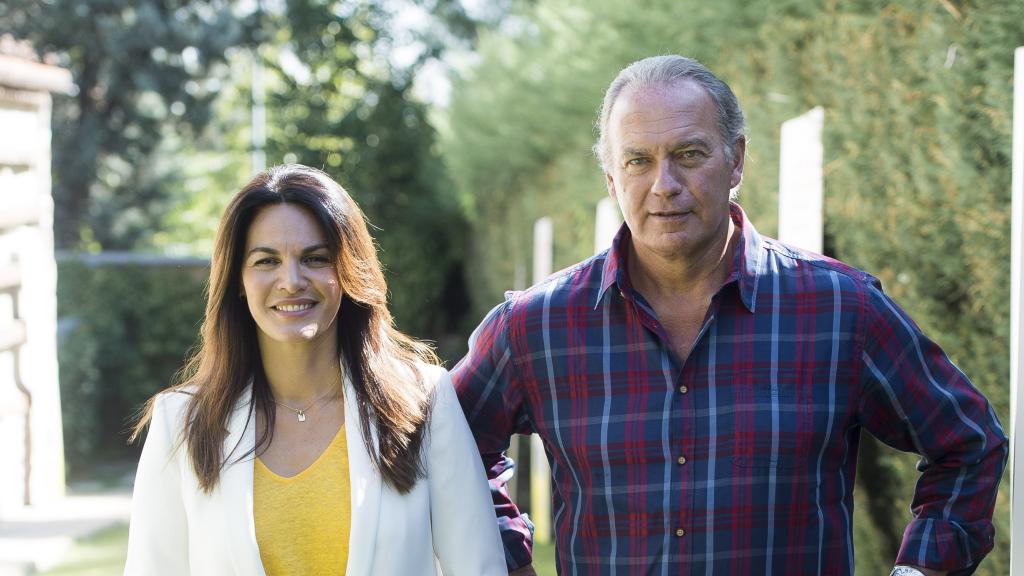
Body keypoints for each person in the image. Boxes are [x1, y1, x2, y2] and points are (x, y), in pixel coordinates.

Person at [451, 55, 1007, 576]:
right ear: (611, 177)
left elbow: (968, 443)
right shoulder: (534, 327)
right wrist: (505, 557)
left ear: (736, 158)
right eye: (638, 160)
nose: (664, 185)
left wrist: (919, 569)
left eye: (689, 154)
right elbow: (446, 450)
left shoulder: (841, 308)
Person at [124, 164, 505, 575]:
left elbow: (478, 567)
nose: (291, 280)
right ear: (238, 280)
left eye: (315, 258)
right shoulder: (181, 422)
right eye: (266, 260)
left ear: (348, 270)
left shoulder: (424, 401)